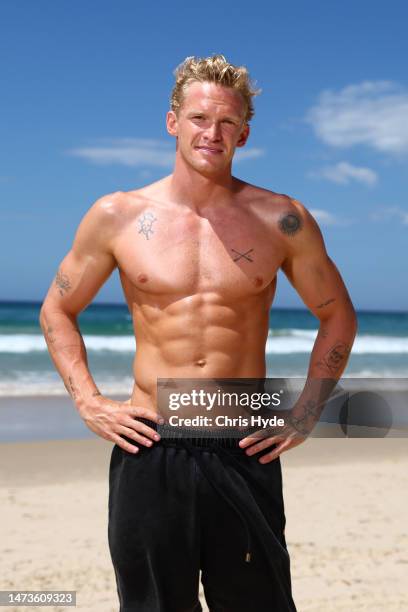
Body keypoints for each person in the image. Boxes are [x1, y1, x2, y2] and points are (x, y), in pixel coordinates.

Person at [39, 54, 358, 612]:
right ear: (172, 122)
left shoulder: (283, 218)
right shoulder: (116, 214)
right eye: (199, 119)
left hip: (243, 443)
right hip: (150, 442)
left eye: (228, 123)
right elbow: (57, 310)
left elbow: (337, 315)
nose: (213, 133)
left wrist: (307, 410)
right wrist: (88, 401)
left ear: (245, 133)